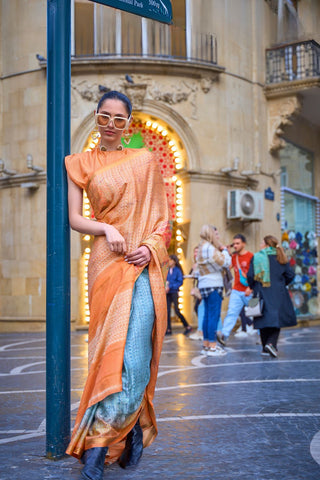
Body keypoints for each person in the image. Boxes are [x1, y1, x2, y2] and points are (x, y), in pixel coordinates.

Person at [65, 90, 171, 480]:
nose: (111, 125)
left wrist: (149, 247)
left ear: (129, 124)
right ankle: (128, 433)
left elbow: (163, 218)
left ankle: (101, 442)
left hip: (142, 264)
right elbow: (76, 219)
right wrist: (106, 226)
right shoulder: (78, 164)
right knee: (109, 356)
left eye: (119, 119)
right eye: (104, 117)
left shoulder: (144, 161)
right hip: (105, 263)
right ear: (96, 117)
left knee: (136, 354)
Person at [247, 235, 297, 357]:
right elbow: (290, 275)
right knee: (276, 319)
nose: (260, 245)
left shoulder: (257, 257)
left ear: (267, 245)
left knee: (262, 318)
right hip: (278, 292)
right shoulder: (281, 257)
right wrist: (280, 283)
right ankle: (271, 344)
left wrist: (253, 286)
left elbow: (250, 276)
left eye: (261, 243)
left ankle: (266, 347)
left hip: (260, 291)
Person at [197, 225, 231, 356]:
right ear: (210, 235)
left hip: (204, 284)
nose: (218, 237)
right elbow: (225, 262)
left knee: (207, 315)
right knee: (214, 315)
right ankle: (212, 346)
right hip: (213, 284)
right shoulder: (210, 248)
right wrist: (225, 250)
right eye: (215, 234)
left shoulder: (201, 248)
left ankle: (206, 345)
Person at [216, 234, 253, 346]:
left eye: (238, 243)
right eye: (234, 244)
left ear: (244, 244)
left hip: (249, 291)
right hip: (236, 291)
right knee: (231, 312)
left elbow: (256, 274)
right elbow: (226, 268)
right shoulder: (234, 257)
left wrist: (251, 288)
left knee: (257, 315)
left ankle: (265, 338)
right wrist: (226, 252)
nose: (235, 245)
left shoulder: (251, 256)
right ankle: (224, 336)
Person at [166, 255, 192, 335]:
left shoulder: (177, 270)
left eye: (170, 260)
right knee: (167, 311)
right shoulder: (168, 270)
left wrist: (170, 286)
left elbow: (180, 282)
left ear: (174, 261)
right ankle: (168, 329)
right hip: (167, 293)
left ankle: (187, 326)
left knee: (177, 310)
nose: (169, 262)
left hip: (174, 292)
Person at [188, 246, 204, 341]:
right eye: (194, 252)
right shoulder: (196, 264)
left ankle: (202, 331)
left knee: (200, 308)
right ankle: (202, 330)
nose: (195, 254)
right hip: (198, 289)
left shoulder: (202, 263)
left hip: (203, 289)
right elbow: (192, 275)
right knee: (198, 308)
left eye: (197, 252)